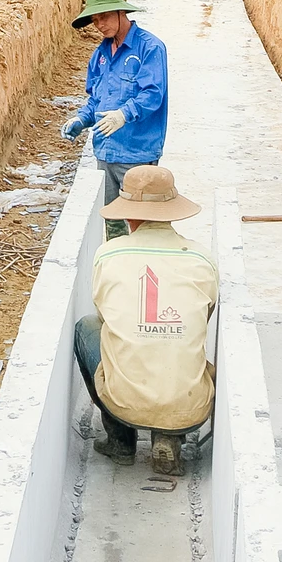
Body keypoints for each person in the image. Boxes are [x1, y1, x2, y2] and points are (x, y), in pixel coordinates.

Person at [74, 166, 216, 476]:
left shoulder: (108, 255)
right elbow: (203, 318)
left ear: (128, 215)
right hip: (189, 407)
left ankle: (121, 441)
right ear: (171, 212)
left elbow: (106, 317)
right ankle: (168, 438)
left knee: (87, 329)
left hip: (123, 402)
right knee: (179, 342)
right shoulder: (202, 259)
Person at [62, 0, 168, 240]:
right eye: (95, 20)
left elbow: (153, 93)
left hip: (137, 152)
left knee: (143, 224)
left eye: (105, 17)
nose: (100, 25)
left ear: (122, 13)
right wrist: (81, 118)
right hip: (106, 152)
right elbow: (96, 101)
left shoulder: (149, 48)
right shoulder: (99, 55)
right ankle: (119, 267)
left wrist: (124, 115)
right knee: (112, 220)